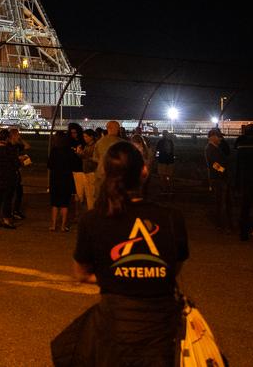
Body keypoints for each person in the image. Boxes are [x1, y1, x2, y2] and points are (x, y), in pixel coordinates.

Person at [64, 141, 188, 366]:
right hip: (160, 330)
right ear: (144, 172)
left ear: (106, 173)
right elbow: (173, 269)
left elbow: (81, 273)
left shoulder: (93, 220)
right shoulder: (172, 218)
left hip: (115, 327)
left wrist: (117, 277)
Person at [46, 130, 78, 232]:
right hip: (67, 178)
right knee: (65, 204)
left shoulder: (54, 151)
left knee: (55, 203)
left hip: (55, 178)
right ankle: (63, 226)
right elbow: (73, 164)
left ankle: (53, 225)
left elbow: (49, 165)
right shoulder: (69, 151)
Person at [0, 128, 20, 228]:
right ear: (7, 138)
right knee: (7, 199)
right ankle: (6, 220)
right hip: (8, 177)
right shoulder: (9, 150)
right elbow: (15, 164)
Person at [89, 120, 123, 210]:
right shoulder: (121, 143)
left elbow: (95, 158)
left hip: (101, 176)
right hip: (116, 177)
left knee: (101, 201)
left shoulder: (99, 142)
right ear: (117, 129)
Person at [206, 128, 233, 232]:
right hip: (218, 179)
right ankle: (223, 225)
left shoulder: (213, 148)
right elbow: (214, 165)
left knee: (221, 202)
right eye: (219, 136)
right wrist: (224, 171)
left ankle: (221, 224)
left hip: (218, 179)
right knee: (222, 203)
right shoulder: (210, 149)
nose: (220, 138)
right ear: (212, 137)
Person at [8, 127, 31, 219]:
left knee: (19, 192)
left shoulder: (17, 145)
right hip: (11, 171)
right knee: (14, 192)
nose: (18, 136)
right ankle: (12, 211)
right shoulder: (9, 146)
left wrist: (20, 139)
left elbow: (27, 146)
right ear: (13, 135)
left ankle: (15, 210)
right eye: (17, 134)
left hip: (17, 171)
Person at [66, 123, 87, 221]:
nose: (74, 135)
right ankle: (76, 213)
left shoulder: (83, 143)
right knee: (75, 194)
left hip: (80, 170)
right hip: (72, 169)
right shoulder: (68, 142)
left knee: (80, 194)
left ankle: (79, 214)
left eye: (75, 132)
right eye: (72, 133)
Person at [155, 130, 176, 197]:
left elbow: (157, 151)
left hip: (162, 161)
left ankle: (164, 189)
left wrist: (156, 158)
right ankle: (169, 189)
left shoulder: (160, 142)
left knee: (162, 176)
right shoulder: (170, 142)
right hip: (169, 161)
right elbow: (173, 151)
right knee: (169, 176)